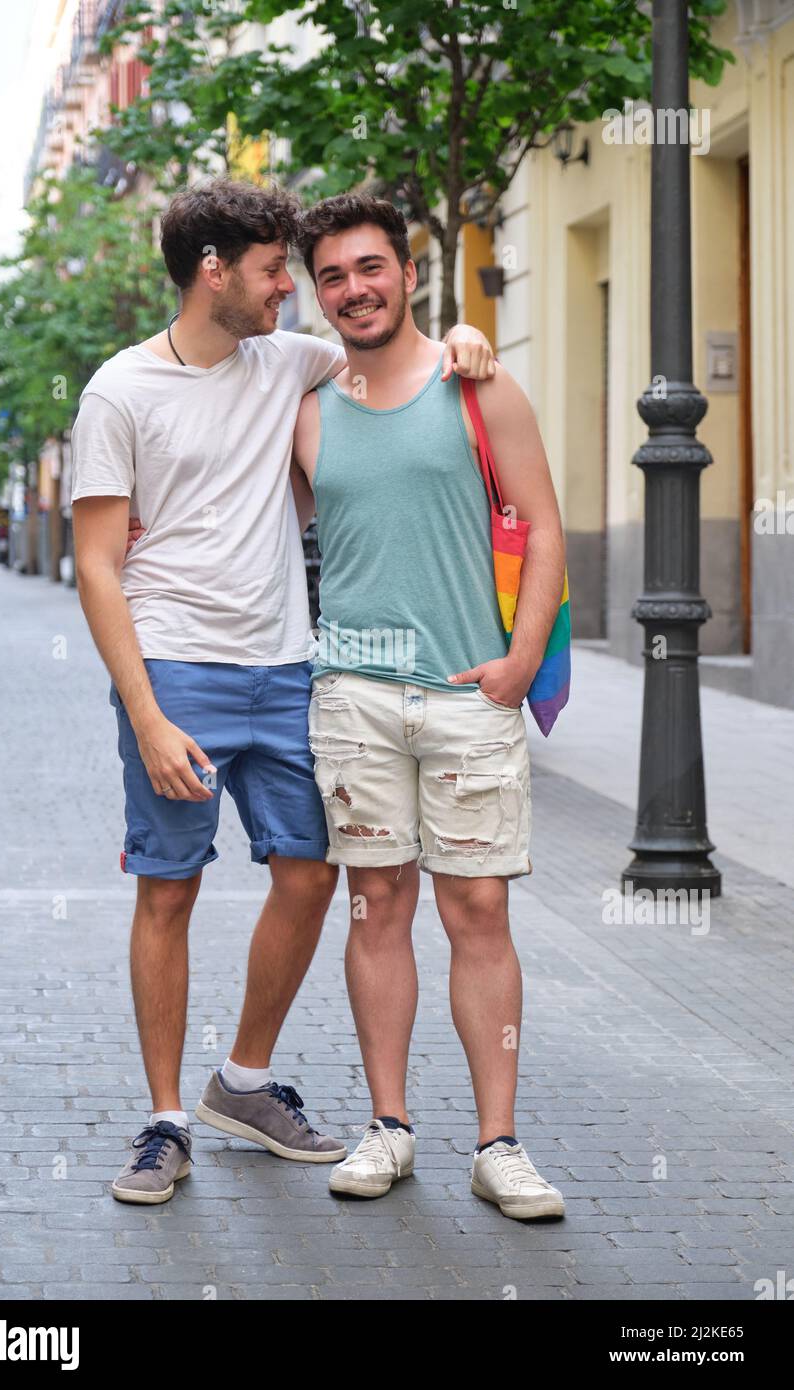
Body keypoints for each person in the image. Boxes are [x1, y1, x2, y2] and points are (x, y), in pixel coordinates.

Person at [71, 177, 495, 1203]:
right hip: (174, 668)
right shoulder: (118, 391)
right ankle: (165, 1119)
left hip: (287, 665)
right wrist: (145, 711)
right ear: (212, 269)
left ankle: (244, 1081)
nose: (288, 292)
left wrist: (466, 337)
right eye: (272, 272)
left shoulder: (289, 360)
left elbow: (389, 346)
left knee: (310, 875)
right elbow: (94, 563)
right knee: (167, 891)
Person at [290, 193, 567, 1220]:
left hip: (466, 693)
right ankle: (387, 1126)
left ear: (406, 273)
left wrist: (518, 660)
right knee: (376, 906)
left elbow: (541, 525)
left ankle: (498, 1143)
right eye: (330, 275)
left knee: (479, 909)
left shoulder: (473, 385)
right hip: (353, 701)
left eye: (369, 268)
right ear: (315, 293)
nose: (353, 289)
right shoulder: (307, 407)